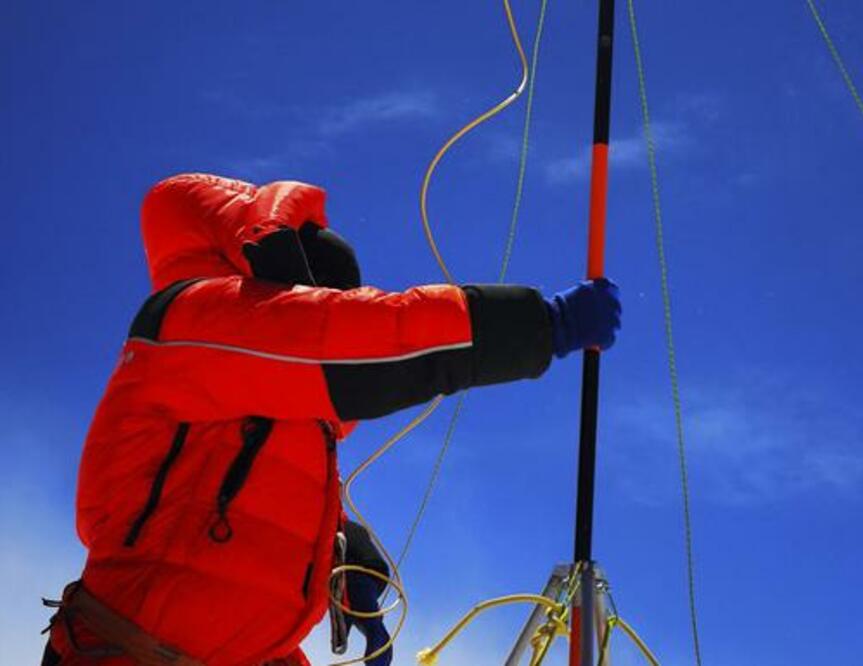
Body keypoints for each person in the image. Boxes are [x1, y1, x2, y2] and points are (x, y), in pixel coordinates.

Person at [41, 173, 621, 665]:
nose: (329, 310)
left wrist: (344, 547)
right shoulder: (193, 320)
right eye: (327, 300)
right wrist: (543, 326)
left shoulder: (274, 388)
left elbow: (244, 487)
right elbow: (359, 342)